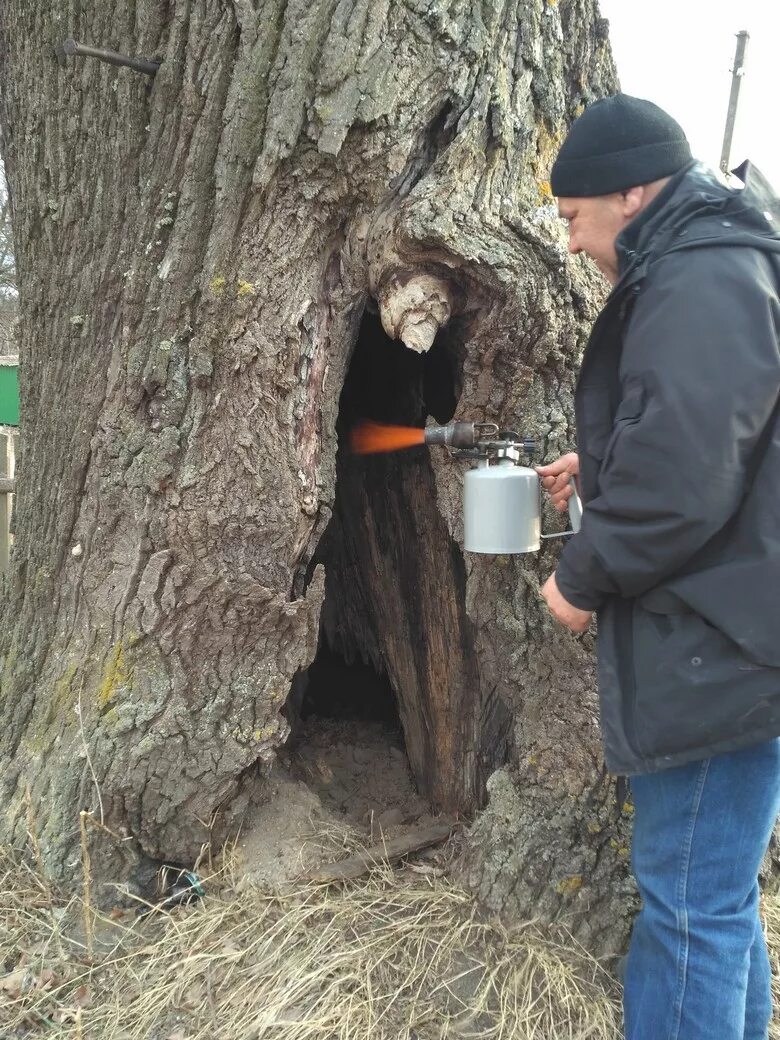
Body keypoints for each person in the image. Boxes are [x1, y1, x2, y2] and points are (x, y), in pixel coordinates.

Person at [536, 93, 780, 1040]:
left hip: (716, 649)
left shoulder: (703, 278)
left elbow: (685, 478)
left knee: (689, 908)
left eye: (572, 217)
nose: (567, 242)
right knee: (713, 903)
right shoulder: (711, 264)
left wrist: (580, 577)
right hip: (730, 636)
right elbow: (718, 437)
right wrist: (600, 465)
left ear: (630, 194)